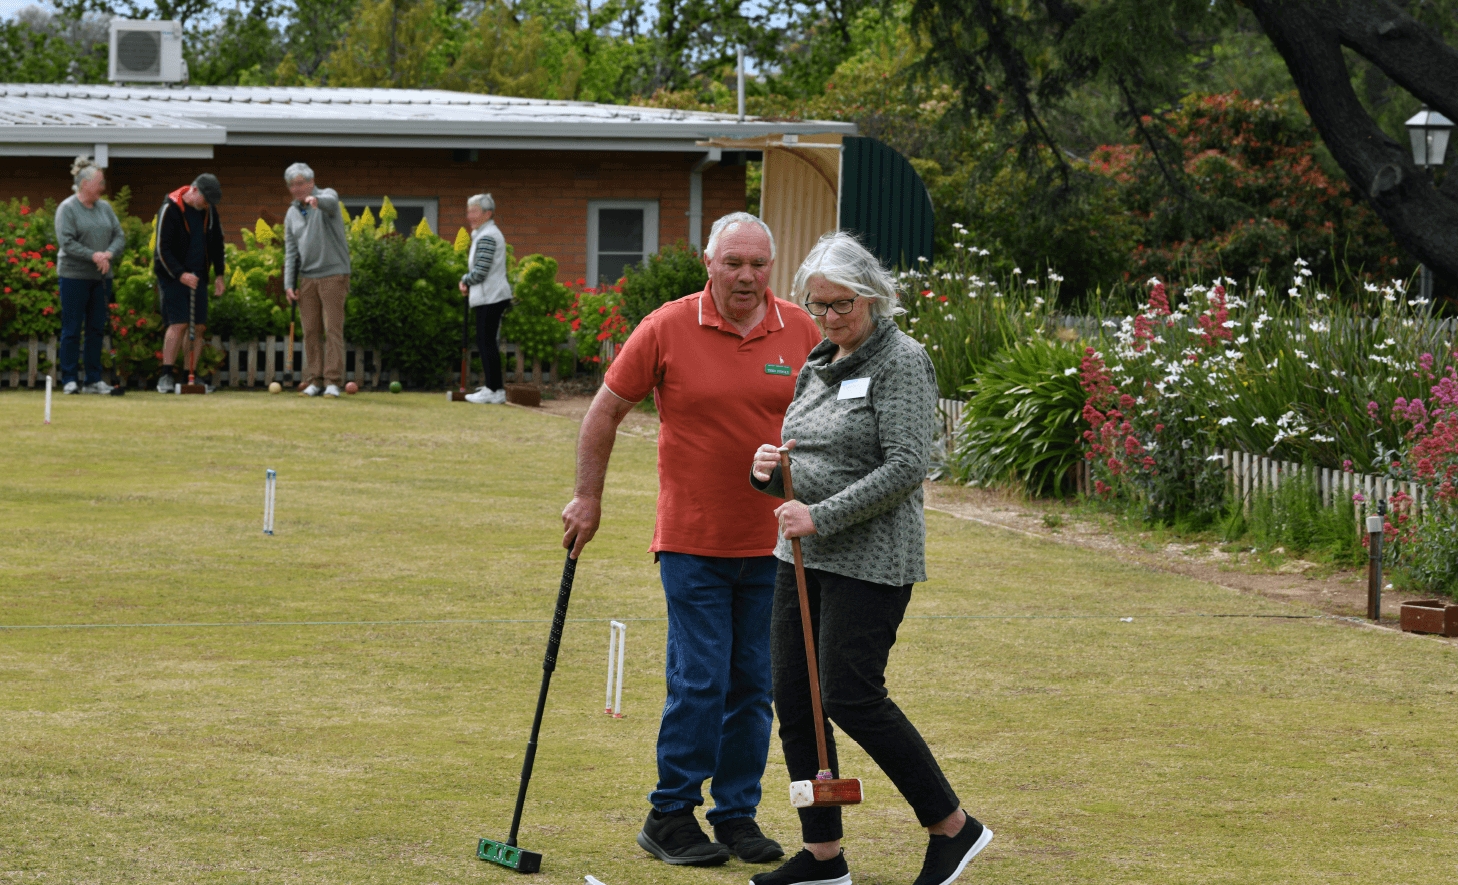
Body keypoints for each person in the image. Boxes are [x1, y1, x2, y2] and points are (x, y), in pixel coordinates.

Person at [561, 212, 822, 868]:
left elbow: (834, 416)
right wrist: (587, 497)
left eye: (758, 264)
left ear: (771, 267)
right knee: (700, 678)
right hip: (692, 540)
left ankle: (735, 813)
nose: (746, 276)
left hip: (774, 544)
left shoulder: (802, 328)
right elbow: (604, 411)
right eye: (733, 262)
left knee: (752, 683)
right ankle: (670, 812)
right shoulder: (668, 326)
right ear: (708, 262)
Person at [748, 232, 992, 885]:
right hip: (800, 555)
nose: (828, 317)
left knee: (850, 693)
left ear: (873, 297)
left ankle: (953, 826)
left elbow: (909, 465)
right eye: (817, 304)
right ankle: (822, 855)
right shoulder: (819, 358)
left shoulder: (901, 360)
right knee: (796, 703)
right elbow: (803, 452)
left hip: (871, 558)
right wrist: (770, 470)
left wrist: (819, 514)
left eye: (841, 305)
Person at [55, 156, 126, 395]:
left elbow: (119, 236)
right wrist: (93, 255)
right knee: (72, 328)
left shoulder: (105, 207)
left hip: (102, 278)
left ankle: (93, 379)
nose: (103, 188)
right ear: (85, 184)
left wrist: (108, 254)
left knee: (96, 328)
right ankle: (70, 379)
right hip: (74, 276)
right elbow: (66, 242)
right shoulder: (67, 208)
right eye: (100, 183)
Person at [282, 162, 352, 398]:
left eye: (301, 183)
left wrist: (317, 202)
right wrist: (289, 284)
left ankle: (332, 382)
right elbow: (291, 252)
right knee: (310, 331)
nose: (296, 188)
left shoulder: (326, 196)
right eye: (292, 185)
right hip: (307, 278)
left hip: (333, 273)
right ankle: (314, 380)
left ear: (311, 183)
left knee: (332, 329)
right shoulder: (291, 213)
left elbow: (332, 202)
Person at [153, 173, 226, 393]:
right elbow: (161, 250)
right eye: (205, 200)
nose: (207, 206)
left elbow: (216, 243)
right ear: (194, 191)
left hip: (199, 275)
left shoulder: (209, 211)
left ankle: (189, 376)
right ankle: (165, 375)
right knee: (179, 323)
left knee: (199, 327)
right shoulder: (170, 208)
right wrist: (180, 274)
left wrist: (219, 275)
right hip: (172, 275)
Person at [459, 193, 512, 405]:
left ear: (487, 214)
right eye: (469, 211)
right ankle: (493, 387)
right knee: (486, 342)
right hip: (488, 296)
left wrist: (464, 280)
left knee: (486, 342)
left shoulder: (488, 235)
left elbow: (480, 271)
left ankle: (494, 390)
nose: (469, 216)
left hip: (491, 296)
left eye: (474, 211)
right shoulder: (483, 233)